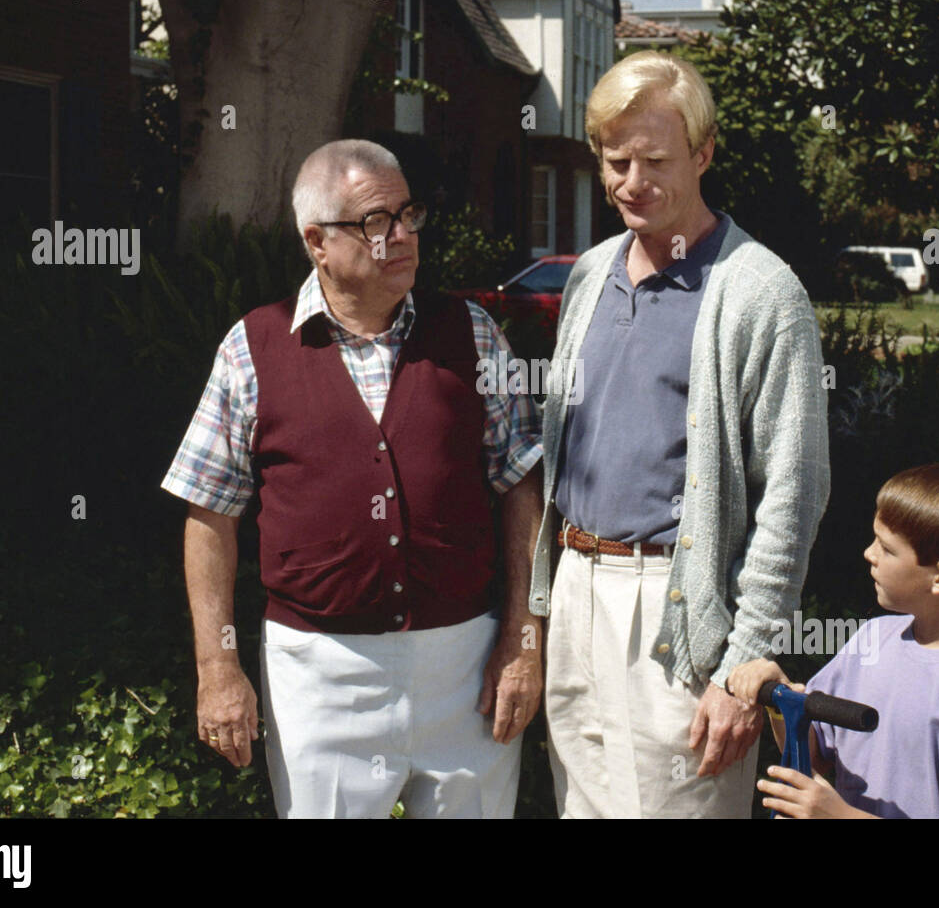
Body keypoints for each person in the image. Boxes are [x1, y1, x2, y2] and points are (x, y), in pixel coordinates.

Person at [161, 139, 544, 818]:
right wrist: (217, 667)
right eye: (374, 221)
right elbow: (209, 514)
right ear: (316, 241)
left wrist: (521, 638)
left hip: (465, 667)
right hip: (316, 674)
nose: (400, 236)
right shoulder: (252, 347)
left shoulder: (474, 334)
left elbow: (522, 489)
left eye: (407, 214)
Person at [528, 51, 831, 818]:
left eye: (656, 159)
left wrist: (743, 665)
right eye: (615, 159)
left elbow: (791, 498)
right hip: (577, 590)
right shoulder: (590, 274)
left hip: (680, 612)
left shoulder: (762, 291)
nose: (632, 180)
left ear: (704, 153)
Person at [729, 462, 939, 818]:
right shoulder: (874, 638)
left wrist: (840, 816)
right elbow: (812, 752)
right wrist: (782, 702)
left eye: (888, 550)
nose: (869, 554)